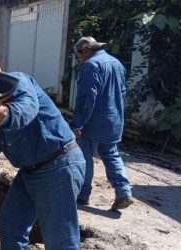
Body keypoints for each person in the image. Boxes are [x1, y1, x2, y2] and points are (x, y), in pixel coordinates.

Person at [0, 63, 85, 249]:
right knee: (11, 223)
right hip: (29, 172)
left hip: (58, 165)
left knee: (60, 239)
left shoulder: (16, 82)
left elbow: (27, 108)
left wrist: (7, 115)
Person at [71, 36, 134, 210]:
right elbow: (122, 92)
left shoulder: (91, 65)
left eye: (79, 55)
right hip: (115, 119)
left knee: (85, 156)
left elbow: (87, 98)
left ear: (86, 51)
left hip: (94, 121)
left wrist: (77, 124)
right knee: (111, 154)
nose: (80, 58)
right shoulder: (116, 63)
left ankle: (83, 196)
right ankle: (124, 191)